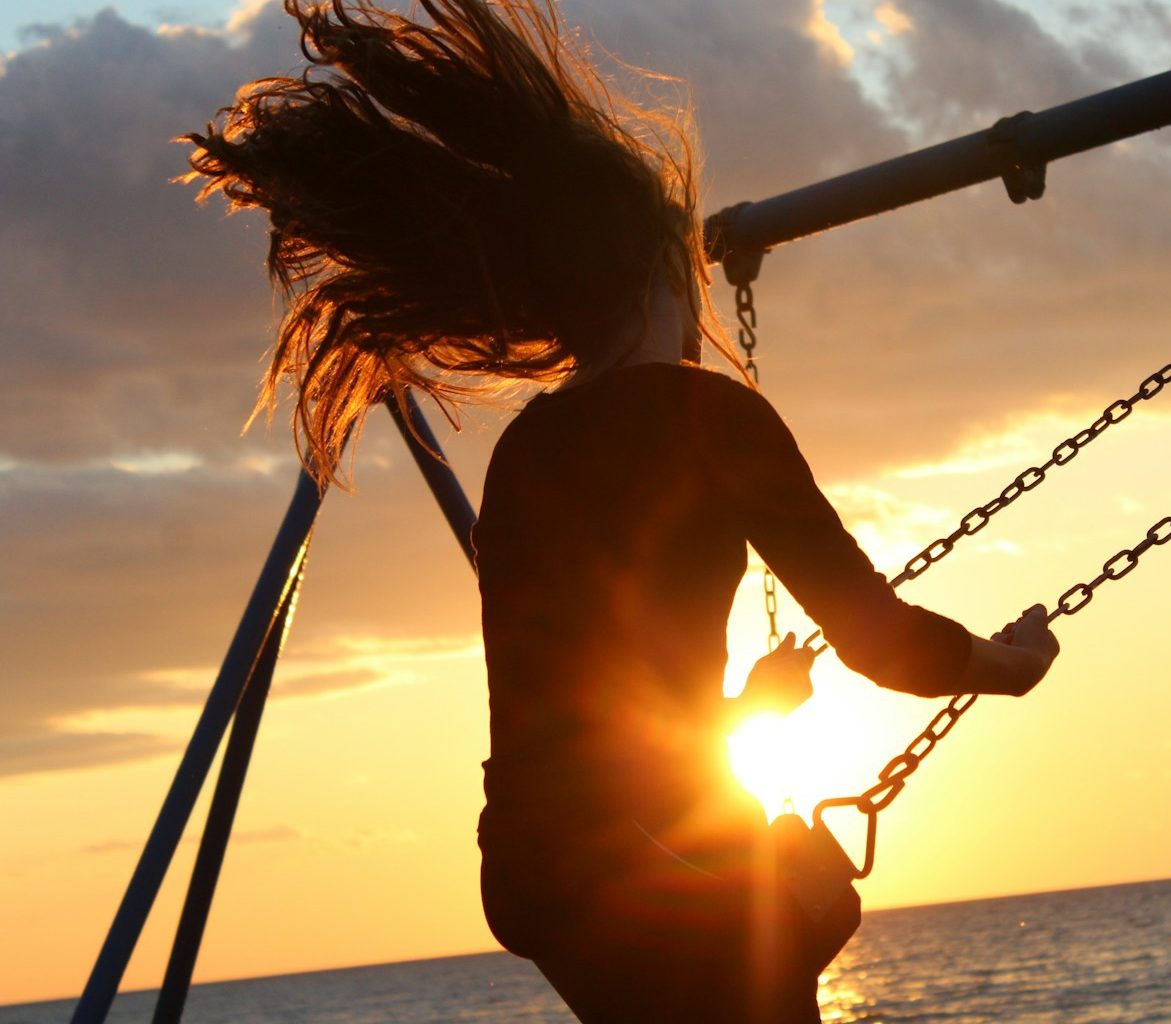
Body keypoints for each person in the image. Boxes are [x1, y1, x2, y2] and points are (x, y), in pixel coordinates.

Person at [185, 1, 1060, 1020]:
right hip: (648, 855)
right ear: (662, 270)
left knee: (786, 921)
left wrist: (742, 714)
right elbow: (875, 642)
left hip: (530, 867)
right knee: (805, 918)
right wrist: (1007, 667)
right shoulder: (709, 417)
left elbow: (581, 703)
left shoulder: (525, 452)